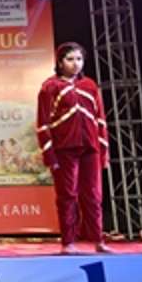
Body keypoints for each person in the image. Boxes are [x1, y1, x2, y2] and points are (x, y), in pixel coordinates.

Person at [36, 42, 111, 255]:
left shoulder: (89, 86)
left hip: (90, 147)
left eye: (79, 59)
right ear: (60, 62)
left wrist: (103, 152)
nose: (76, 64)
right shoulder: (50, 87)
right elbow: (42, 123)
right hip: (64, 149)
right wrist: (49, 155)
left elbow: (100, 120)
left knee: (93, 195)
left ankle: (98, 241)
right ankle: (68, 242)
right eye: (70, 59)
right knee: (67, 195)